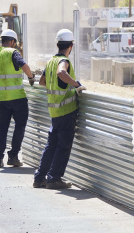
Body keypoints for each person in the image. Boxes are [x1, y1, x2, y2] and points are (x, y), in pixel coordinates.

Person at [33, 29, 86, 189]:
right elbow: (61, 72)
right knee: (63, 146)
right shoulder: (63, 61)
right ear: (71, 46)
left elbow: (42, 81)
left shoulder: (50, 61)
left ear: (57, 44)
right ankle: (54, 178)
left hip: (54, 111)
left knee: (51, 145)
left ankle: (39, 177)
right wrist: (76, 85)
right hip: (66, 110)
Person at [0, 29, 35, 168]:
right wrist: (31, 77)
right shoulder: (13, 52)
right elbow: (24, 65)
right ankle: (13, 157)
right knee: (20, 126)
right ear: (12, 42)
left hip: (1, 99)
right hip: (17, 97)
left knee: (3, 128)